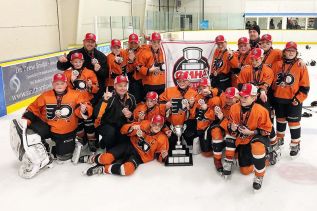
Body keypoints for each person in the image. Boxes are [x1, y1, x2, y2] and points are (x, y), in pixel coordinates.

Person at [10, 73, 93, 178]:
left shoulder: (76, 95)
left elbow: (86, 107)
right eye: (56, 83)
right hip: (49, 126)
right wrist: (26, 120)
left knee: (63, 159)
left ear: (66, 83)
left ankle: (72, 143)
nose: (59, 85)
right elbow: (33, 108)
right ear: (52, 84)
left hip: (66, 130)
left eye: (62, 83)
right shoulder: (45, 95)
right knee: (29, 128)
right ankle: (42, 149)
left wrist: (84, 110)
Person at [223, 83, 274, 190]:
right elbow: (231, 125)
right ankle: (256, 159)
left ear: (254, 97)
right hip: (243, 138)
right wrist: (231, 127)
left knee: (257, 147)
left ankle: (260, 174)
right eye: (241, 96)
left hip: (256, 136)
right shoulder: (234, 108)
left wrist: (251, 132)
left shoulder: (261, 110)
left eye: (246, 97)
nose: (242, 99)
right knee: (245, 171)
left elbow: (267, 130)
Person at [80, 115, 169, 176]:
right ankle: (91, 158)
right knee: (106, 158)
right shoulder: (144, 124)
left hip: (139, 156)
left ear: (162, 126)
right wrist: (132, 128)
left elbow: (159, 155)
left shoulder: (162, 138)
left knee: (127, 170)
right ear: (151, 123)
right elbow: (123, 129)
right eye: (155, 124)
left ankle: (103, 169)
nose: (156, 127)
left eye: (159, 125)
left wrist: (163, 156)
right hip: (129, 145)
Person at [271, 41, 310, 157]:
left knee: (294, 123)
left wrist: (299, 98)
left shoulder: (300, 65)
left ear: (296, 52)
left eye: (293, 51)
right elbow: (272, 82)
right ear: (284, 52)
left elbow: (305, 86)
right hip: (279, 99)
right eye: (288, 50)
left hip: (294, 100)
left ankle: (295, 144)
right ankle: (280, 138)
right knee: (280, 120)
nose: (291, 52)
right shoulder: (277, 64)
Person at [57, 33, 108, 105]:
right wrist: (61, 62)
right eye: (88, 41)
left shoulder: (101, 56)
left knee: (94, 113)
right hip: (76, 92)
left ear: (95, 43)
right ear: (83, 42)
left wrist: (99, 70)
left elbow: (105, 74)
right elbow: (62, 67)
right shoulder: (74, 53)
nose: (90, 44)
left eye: (92, 42)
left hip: (95, 92)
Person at [63, 52, 99, 152]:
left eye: (79, 61)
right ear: (71, 62)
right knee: (78, 123)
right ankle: (81, 140)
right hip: (74, 102)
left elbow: (96, 89)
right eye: (75, 62)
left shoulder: (89, 72)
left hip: (87, 101)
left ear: (83, 61)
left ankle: (92, 141)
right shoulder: (67, 73)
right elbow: (64, 89)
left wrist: (90, 86)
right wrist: (71, 81)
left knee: (89, 122)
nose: (78, 63)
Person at [94, 75, 136, 150]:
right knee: (111, 132)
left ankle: (103, 142)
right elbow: (97, 114)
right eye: (120, 86)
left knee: (124, 139)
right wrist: (105, 100)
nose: (123, 88)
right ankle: (109, 149)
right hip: (106, 124)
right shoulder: (109, 97)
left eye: (125, 86)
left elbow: (134, 117)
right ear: (115, 86)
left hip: (121, 125)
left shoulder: (131, 98)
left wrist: (130, 116)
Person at [159, 71, 198, 148]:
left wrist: (191, 105)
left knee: (190, 140)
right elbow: (159, 103)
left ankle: (186, 139)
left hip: (187, 123)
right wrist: (165, 106)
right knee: (171, 144)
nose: (181, 83)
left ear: (189, 81)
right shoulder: (169, 91)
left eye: (184, 81)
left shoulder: (194, 93)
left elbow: (195, 113)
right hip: (172, 123)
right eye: (179, 81)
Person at [136, 32, 166, 96]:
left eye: (158, 42)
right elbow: (138, 67)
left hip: (162, 83)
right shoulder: (144, 52)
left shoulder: (164, 51)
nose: (156, 44)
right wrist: (149, 70)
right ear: (151, 42)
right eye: (154, 42)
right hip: (149, 84)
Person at [126, 33, 145, 103]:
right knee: (134, 100)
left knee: (144, 100)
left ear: (138, 42)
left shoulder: (143, 50)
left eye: (135, 43)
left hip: (143, 79)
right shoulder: (125, 52)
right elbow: (127, 69)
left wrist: (133, 60)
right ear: (128, 43)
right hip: (132, 81)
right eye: (131, 43)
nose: (133, 44)